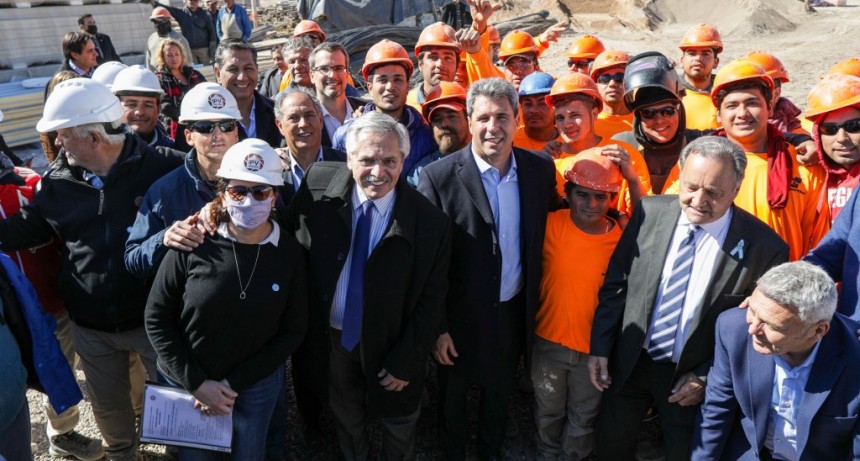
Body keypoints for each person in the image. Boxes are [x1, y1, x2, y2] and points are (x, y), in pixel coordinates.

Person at [0, 78, 183, 461]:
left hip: (153, 323)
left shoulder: (164, 168)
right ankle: (122, 455)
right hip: (91, 328)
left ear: (95, 138)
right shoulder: (57, 183)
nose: (57, 143)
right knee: (109, 408)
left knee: (173, 403)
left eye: (64, 135)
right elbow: (24, 230)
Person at [587, 135, 789, 461]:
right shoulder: (649, 212)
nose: (698, 200)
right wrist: (600, 346)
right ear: (679, 175)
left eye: (713, 192)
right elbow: (618, 283)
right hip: (631, 362)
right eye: (691, 187)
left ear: (736, 189)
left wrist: (707, 376)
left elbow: (755, 330)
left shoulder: (765, 248)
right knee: (611, 445)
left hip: (691, 378)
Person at [290, 111, 452, 460]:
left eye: (389, 161)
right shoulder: (317, 185)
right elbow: (288, 240)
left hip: (393, 342)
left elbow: (431, 299)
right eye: (366, 160)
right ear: (348, 158)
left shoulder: (431, 224)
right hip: (335, 340)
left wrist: (407, 360)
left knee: (399, 420)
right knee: (347, 417)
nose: (378, 172)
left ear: (403, 161)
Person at [417, 78, 560, 460]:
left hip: (512, 310)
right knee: (453, 397)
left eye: (502, 117)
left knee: (499, 394)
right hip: (459, 316)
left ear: (516, 120)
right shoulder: (438, 178)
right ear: (469, 121)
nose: (492, 127)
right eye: (483, 118)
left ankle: (491, 450)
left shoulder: (538, 170)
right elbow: (427, 265)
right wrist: (439, 328)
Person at [146, 138, 308, 461]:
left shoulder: (289, 254)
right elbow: (157, 317)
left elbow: (293, 330)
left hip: (256, 384)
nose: (249, 201)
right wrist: (197, 383)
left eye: (260, 192)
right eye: (238, 192)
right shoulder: (194, 242)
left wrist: (233, 383)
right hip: (193, 382)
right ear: (222, 194)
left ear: (274, 196)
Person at [692, 261, 860, 460]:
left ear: (818, 330)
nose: (752, 329)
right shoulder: (733, 329)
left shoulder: (854, 358)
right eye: (752, 310)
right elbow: (716, 411)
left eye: (772, 326)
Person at [532, 148, 624, 460]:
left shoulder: (621, 239)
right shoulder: (549, 225)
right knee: (548, 410)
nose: (591, 204)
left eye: (601, 197)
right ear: (568, 194)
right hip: (548, 342)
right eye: (583, 195)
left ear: (612, 200)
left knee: (583, 417)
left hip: (593, 351)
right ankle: (547, 453)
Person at [712, 58, 829, 261]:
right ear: (719, 116)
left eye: (752, 103)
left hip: (786, 278)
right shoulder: (702, 166)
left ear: (770, 108)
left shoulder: (805, 165)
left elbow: (819, 241)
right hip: (719, 278)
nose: (742, 113)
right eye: (732, 105)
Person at [125, 82, 241, 278]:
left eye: (226, 125)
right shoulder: (164, 191)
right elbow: (133, 259)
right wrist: (164, 238)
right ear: (188, 136)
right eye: (205, 127)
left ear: (236, 133)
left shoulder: (260, 182)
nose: (218, 134)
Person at [544, 72, 651, 217]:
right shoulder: (550, 159)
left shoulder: (622, 155)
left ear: (594, 114)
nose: (567, 124)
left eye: (575, 116)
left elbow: (644, 214)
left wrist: (632, 179)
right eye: (560, 118)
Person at [332, 39, 436, 179]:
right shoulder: (346, 136)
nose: (390, 87)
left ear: (408, 86)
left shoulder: (427, 136)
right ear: (370, 87)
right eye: (382, 80)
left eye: (397, 79)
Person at [803, 73, 860, 222]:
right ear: (817, 136)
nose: (842, 138)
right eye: (830, 129)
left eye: (854, 126)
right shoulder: (813, 176)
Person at [214, 39, 283, 148]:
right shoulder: (206, 120)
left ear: (257, 70)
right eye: (233, 69)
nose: (242, 77)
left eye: (248, 68)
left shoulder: (277, 112)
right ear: (218, 73)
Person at [407, 81, 471, 186]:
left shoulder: (488, 161)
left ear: (469, 120)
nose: (444, 124)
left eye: (452, 116)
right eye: (437, 119)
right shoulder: (421, 174)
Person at [309, 42, 365, 147]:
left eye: (338, 68)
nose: (332, 75)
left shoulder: (367, 110)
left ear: (347, 74)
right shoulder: (305, 120)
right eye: (324, 69)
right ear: (312, 76)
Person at [154, 39, 207, 139]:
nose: (174, 58)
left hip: (200, 124)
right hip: (174, 128)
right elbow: (165, 105)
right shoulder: (159, 78)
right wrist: (187, 116)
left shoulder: (195, 75)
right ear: (163, 57)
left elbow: (207, 93)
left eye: (177, 54)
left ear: (182, 55)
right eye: (169, 55)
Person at [112, 65, 174, 149]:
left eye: (148, 105)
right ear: (115, 108)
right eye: (131, 105)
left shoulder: (174, 151)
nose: (140, 112)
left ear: (159, 109)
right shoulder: (102, 153)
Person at [746, 50, 806, 134]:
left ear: (776, 94)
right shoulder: (734, 125)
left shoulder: (797, 135)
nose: (750, 95)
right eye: (745, 89)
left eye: (760, 89)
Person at [407, 22, 461, 112]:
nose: (440, 64)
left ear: (457, 65)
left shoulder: (466, 103)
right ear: (420, 64)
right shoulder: (406, 105)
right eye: (433, 57)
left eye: (448, 58)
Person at [678, 23, 723, 131]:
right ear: (682, 61)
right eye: (692, 53)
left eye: (705, 54)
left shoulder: (725, 94)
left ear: (716, 62)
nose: (698, 58)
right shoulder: (669, 92)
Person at [152, 0, 217, 65]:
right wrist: (154, 3)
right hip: (189, 50)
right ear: (186, 1)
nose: (193, 2)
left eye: (195, 1)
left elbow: (211, 31)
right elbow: (168, 9)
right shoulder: (181, 13)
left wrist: (212, 48)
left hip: (204, 50)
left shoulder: (205, 14)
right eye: (191, 0)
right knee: (193, 70)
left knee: (207, 69)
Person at [513, 72, 562, 151]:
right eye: (528, 104)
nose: (533, 110)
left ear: (556, 106)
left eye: (542, 103)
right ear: (521, 107)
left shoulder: (571, 141)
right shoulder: (509, 143)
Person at [591, 49, 634, 137]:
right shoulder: (586, 123)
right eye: (604, 78)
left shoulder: (645, 121)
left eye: (620, 77)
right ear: (596, 85)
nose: (612, 84)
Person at [147, 7, 194, 71]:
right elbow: (149, 61)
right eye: (155, 21)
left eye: (160, 21)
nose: (157, 24)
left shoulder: (179, 39)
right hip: (155, 75)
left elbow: (188, 62)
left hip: (173, 76)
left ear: (168, 21)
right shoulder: (152, 38)